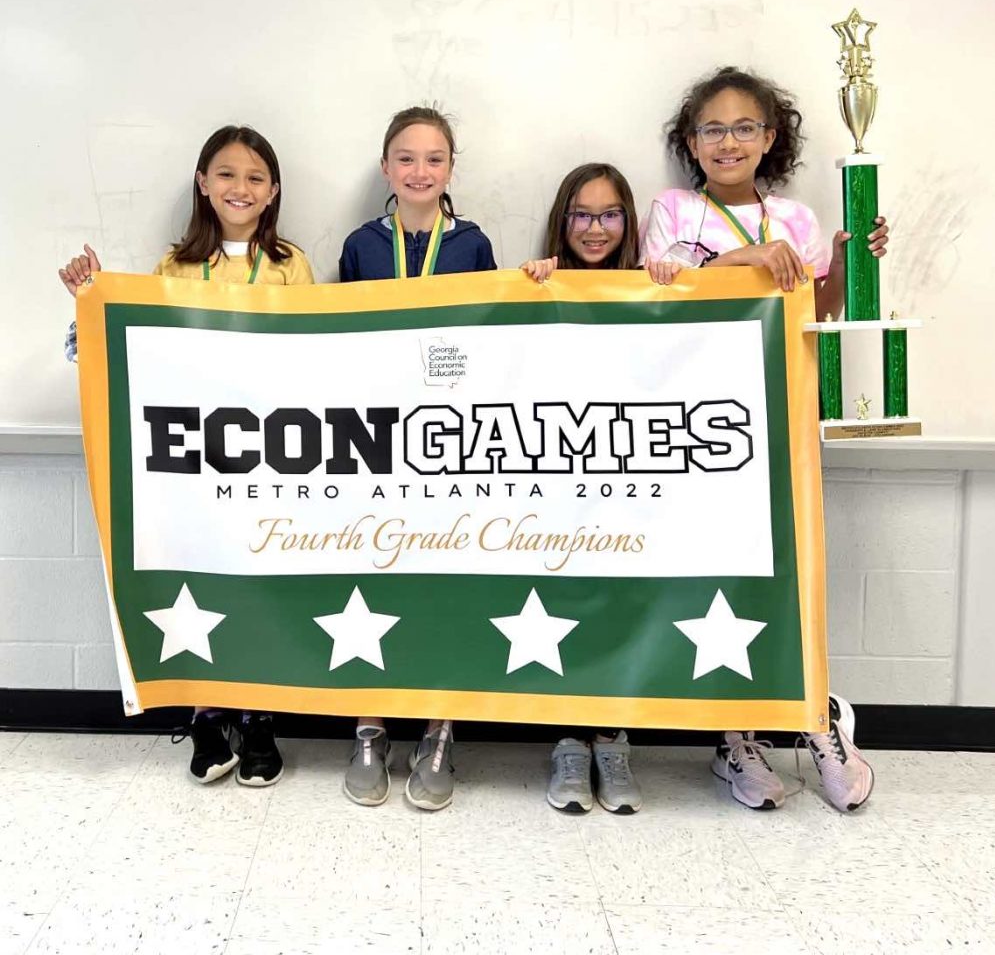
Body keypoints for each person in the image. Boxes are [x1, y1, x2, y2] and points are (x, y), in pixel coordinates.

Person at [642, 66, 886, 813]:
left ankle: (814, 720)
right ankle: (734, 739)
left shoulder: (798, 220)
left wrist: (848, 264)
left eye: (743, 128)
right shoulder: (673, 210)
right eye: (711, 129)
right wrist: (738, 258)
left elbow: (815, 309)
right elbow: (658, 294)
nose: (727, 142)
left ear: (769, 138)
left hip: (777, 418)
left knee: (789, 573)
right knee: (713, 578)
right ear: (690, 142)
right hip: (695, 427)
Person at [58, 125, 313, 788]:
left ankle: (259, 715)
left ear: (274, 190)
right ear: (203, 182)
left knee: (266, 580)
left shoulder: (292, 264)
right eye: (227, 174)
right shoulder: (174, 265)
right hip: (197, 462)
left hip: (273, 457)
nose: (241, 187)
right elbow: (137, 348)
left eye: (256, 177)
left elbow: (318, 354)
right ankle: (207, 715)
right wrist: (91, 302)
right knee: (206, 575)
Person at [337, 106, 496, 811]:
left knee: (446, 577)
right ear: (384, 168)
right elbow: (332, 335)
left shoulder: (472, 243)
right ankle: (369, 722)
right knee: (372, 572)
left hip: (450, 441)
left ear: (451, 169)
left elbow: (499, 334)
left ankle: (440, 725)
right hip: (374, 437)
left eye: (433, 159)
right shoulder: (360, 245)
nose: (419, 171)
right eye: (405, 158)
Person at [522, 162, 648, 815]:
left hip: (626, 483)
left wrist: (677, 291)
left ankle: (612, 740)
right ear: (561, 220)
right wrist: (530, 288)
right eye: (581, 214)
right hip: (559, 483)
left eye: (608, 215)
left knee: (619, 602)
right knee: (564, 601)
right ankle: (567, 741)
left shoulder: (649, 286)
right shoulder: (544, 282)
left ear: (628, 222)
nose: (594, 228)